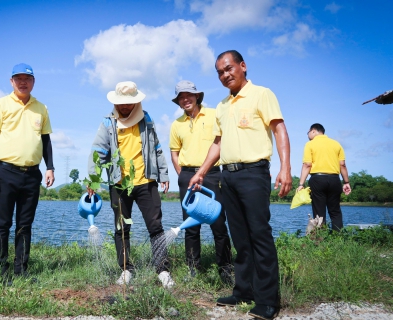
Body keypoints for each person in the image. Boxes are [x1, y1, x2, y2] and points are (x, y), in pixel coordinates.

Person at [188, 50, 292, 320]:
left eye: (228, 68)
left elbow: (279, 129)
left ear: (243, 66)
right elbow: (218, 144)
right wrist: (201, 172)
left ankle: (268, 300)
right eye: (220, 72)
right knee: (240, 237)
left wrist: (286, 167)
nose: (225, 75)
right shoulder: (222, 106)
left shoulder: (261, 94)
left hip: (254, 173)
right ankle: (243, 291)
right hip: (227, 176)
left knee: (260, 235)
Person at [87, 81, 174, 288]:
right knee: (122, 228)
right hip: (119, 183)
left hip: (147, 181)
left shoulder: (147, 119)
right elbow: (97, 151)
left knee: (156, 227)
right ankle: (126, 269)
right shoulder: (108, 123)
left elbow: (157, 148)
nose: (125, 107)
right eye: (122, 104)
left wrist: (164, 173)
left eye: (130, 103)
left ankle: (162, 269)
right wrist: (93, 179)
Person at [0, 63, 55, 285]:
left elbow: (46, 140)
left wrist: (50, 167)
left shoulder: (41, 108)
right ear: (11, 81)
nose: (23, 82)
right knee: (2, 223)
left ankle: (20, 269)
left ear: (33, 82)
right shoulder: (0, 104)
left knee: (25, 224)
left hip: (32, 174)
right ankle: (2, 269)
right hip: (6, 171)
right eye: (19, 78)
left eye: (28, 78)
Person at [169, 80, 233, 282]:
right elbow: (174, 152)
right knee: (191, 227)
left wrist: (203, 173)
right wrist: (182, 175)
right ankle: (192, 270)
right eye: (181, 97)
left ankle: (226, 269)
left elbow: (221, 143)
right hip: (187, 176)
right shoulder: (176, 124)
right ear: (178, 102)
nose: (185, 99)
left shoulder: (214, 114)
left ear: (197, 96)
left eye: (188, 95)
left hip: (213, 174)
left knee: (219, 224)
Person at [297, 123, 352, 231]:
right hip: (334, 179)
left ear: (313, 131)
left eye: (308, 132)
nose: (307, 135)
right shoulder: (336, 144)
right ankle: (338, 238)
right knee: (335, 211)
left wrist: (301, 184)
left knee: (319, 213)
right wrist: (346, 182)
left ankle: (321, 241)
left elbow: (307, 165)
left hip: (318, 179)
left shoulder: (310, 144)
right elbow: (342, 165)